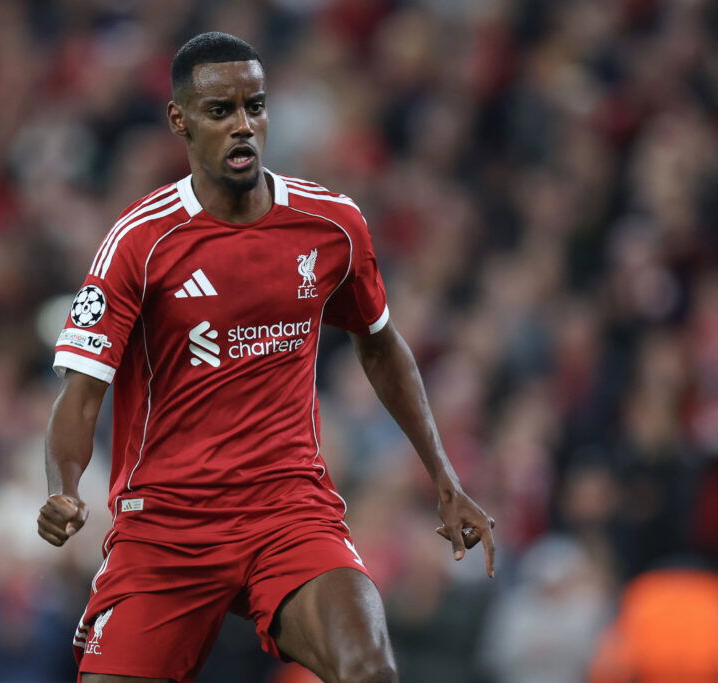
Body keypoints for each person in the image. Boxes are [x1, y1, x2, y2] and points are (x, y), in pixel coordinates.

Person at [38, 32, 495, 683]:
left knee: (370, 670)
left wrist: (444, 477)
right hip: (166, 526)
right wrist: (64, 489)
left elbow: (381, 344)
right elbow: (80, 395)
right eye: (221, 111)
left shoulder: (330, 224)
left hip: (287, 509)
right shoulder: (141, 242)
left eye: (255, 106)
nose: (243, 125)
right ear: (181, 121)